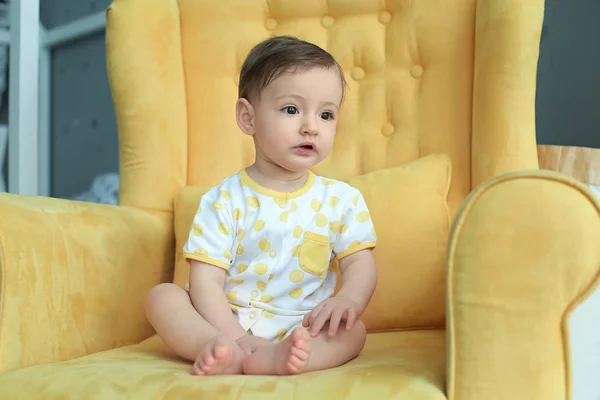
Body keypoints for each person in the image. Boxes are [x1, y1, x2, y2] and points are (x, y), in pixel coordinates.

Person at [145, 36, 378, 376]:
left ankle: (285, 359)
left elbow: (361, 264)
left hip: (305, 328)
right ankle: (219, 351)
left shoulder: (341, 200)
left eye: (326, 114)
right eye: (291, 109)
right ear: (248, 118)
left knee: (354, 332)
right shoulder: (224, 200)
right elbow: (205, 283)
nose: (311, 126)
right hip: (223, 321)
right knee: (162, 297)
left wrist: (348, 300)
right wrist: (237, 337)